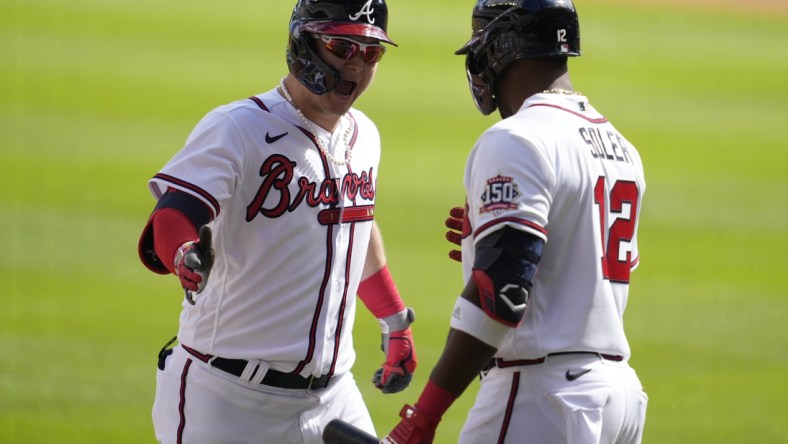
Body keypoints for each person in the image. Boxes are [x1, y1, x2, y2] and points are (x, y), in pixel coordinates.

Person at [136, 1, 417, 443]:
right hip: (228, 397)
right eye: (341, 46)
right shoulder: (239, 127)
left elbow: (354, 226)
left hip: (333, 398)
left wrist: (394, 318)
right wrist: (185, 254)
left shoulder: (364, 136)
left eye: (370, 53)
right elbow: (174, 212)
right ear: (305, 43)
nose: (356, 65)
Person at [383, 0, 647, 443]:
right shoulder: (621, 147)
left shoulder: (516, 138)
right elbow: (582, 269)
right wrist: (482, 241)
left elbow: (501, 291)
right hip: (619, 400)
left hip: (542, 398)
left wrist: (421, 417)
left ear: (502, 48)